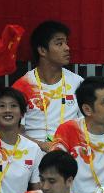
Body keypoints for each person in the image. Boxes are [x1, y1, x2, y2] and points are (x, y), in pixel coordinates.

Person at [13, 20, 83, 152]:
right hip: (32, 153)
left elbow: (87, 126)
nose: (67, 48)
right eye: (59, 43)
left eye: (66, 43)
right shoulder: (22, 86)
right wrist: (42, 145)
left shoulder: (78, 83)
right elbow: (15, 131)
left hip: (70, 151)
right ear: (42, 50)